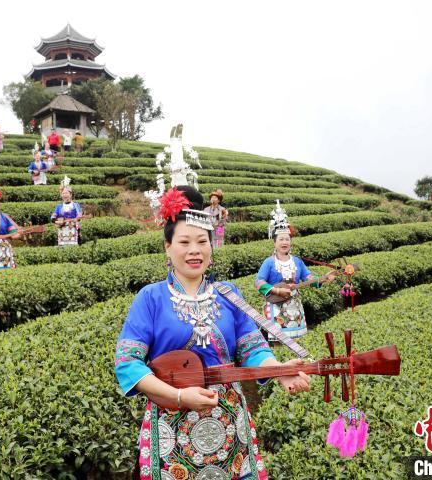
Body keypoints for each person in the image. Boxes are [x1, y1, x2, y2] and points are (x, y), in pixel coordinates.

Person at [115, 186, 310, 480]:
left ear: (211, 246)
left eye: (201, 241)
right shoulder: (150, 298)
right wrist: (179, 396)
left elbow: (253, 349)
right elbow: (128, 364)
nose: (194, 250)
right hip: (172, 428)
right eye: (184, 241)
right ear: (167, 247)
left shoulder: (227, 294)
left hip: (229, 422)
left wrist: (280, 370)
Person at [255, 200, 335, 340]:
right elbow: (259, 283)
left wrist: (323, 279)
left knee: (298, 342)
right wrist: (278, 291)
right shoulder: (269, 262)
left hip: (295, 307)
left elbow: (308, 279)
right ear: (275, 242)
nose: (284, 242)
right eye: (281, 239)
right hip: (276, 308)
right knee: (278, 343)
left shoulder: (297, 261)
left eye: (287, 239)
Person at [51, 176, 84, 245]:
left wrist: (75, 219)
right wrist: (57, 222)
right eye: (63, 193)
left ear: (71, 194)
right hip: (62, 231)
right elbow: (53, 217)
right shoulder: (59, 206)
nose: (64, 195)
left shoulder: (76, 205)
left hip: (72, 229)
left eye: (66, 193)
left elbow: (79, 216)